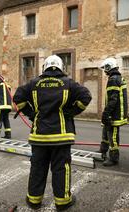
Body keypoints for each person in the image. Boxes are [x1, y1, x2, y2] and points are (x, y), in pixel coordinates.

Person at [13, 55, 92, 211]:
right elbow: (86, 96)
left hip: (39, 136)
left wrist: (31, 114)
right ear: (61, 67)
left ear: (45, 67)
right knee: (61, 169)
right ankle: (62, 202)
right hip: (62, 137)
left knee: (37, 168)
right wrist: (70, 112)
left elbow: (18, 98)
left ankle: (34, 201)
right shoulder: (68, 83)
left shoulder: (34, 83)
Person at [98, 57, 128, 166]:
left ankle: (114, 158)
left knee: (112, 136)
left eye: (105, 69)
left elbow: (113, 99)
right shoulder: (117, 78)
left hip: (114, 114)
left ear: (108, 67)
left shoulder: (113, 79)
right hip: (114, 112)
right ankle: (103, 151)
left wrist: (106, 114)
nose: (104, 71)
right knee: (105, 132)